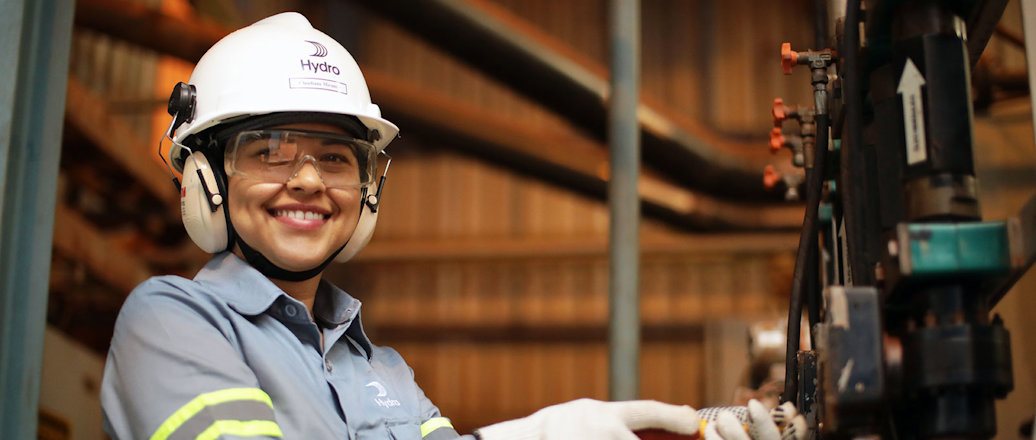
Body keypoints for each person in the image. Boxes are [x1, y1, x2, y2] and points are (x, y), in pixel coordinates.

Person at [100, 12, 804, 440]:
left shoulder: (382, 370)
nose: (309, 180)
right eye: (269, 152)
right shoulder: (171, 322)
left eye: (335, 157)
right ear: (202, 179)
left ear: (368, 188)